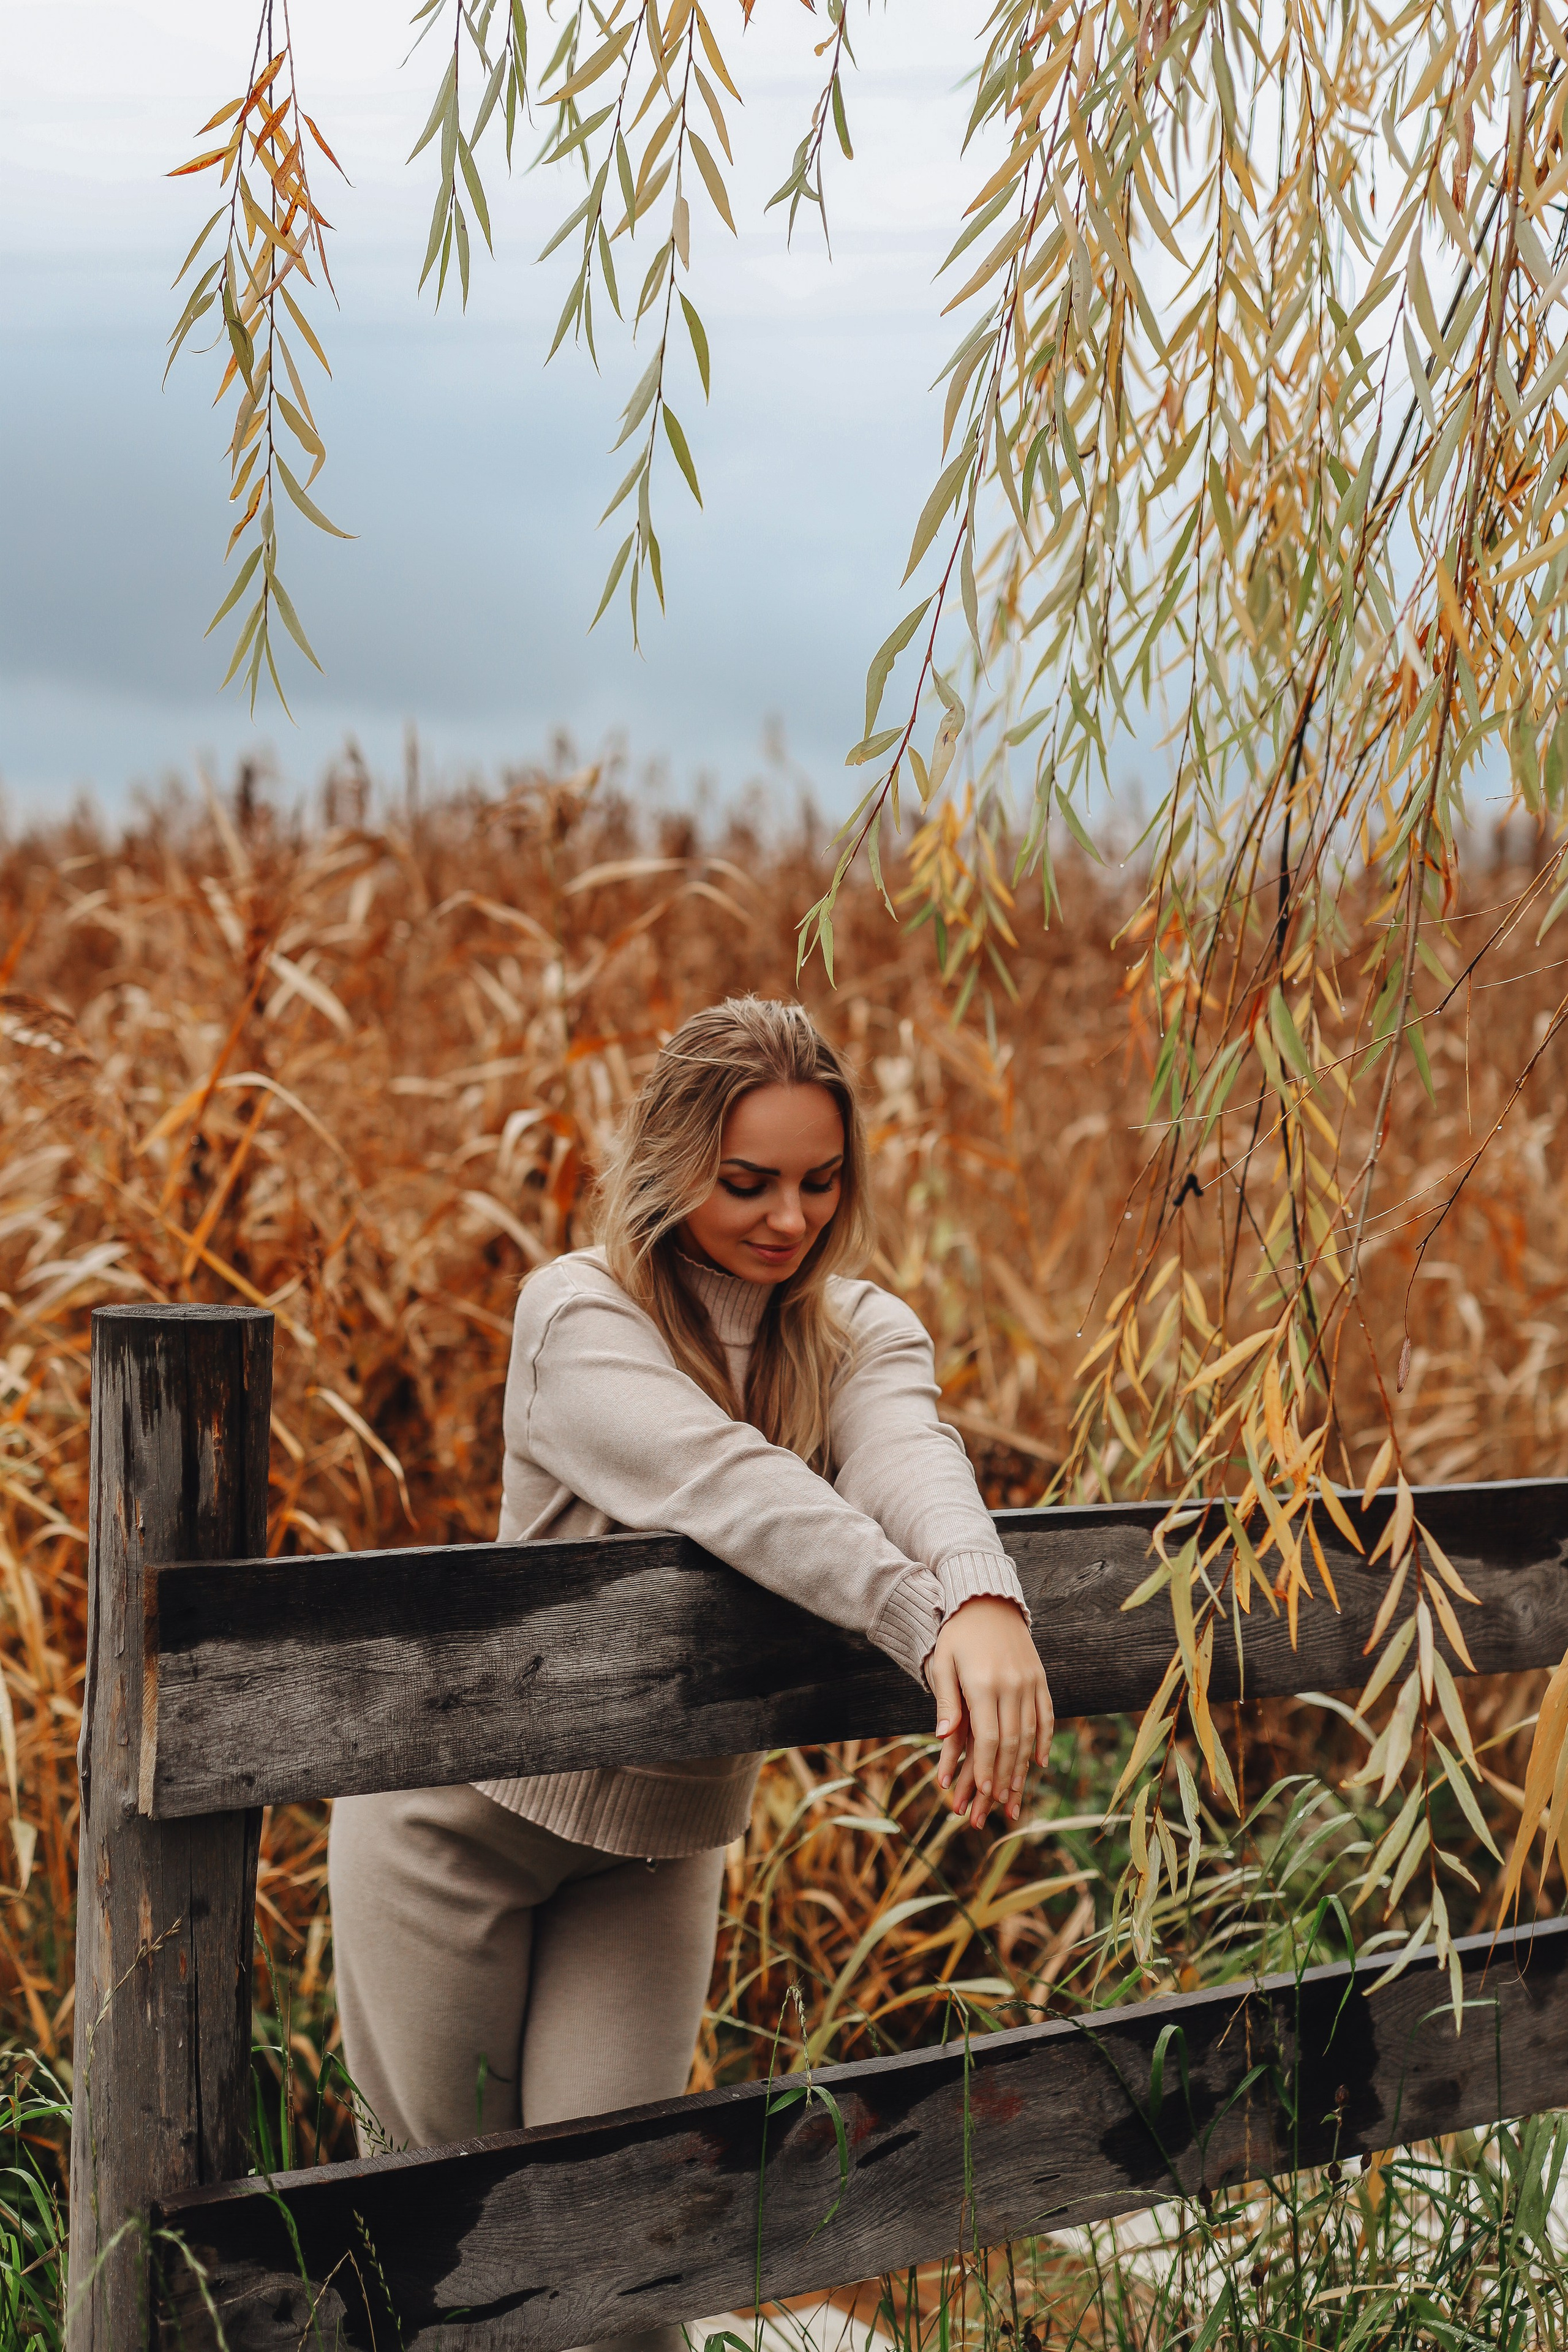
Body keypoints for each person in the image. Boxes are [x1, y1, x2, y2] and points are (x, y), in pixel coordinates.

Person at [328, 997, 1052, 2345]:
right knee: (450, 2260)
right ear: (670, 1167)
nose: (788, 1219)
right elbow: (730, 1485)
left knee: (624, 2282)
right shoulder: (576, 1316)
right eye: (746, 1183)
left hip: (655, 1845)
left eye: (819, 1182)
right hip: (454, 1826)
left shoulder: (856, 1329)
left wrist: (984, 1599)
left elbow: (904, 1455)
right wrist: (923, 1622)